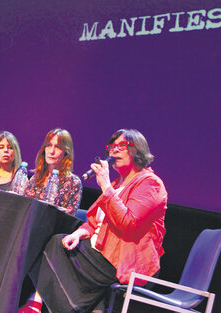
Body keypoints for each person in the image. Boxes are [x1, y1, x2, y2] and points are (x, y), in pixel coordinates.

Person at [20, 129, 167, 313]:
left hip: (124, 260)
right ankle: (74, 306)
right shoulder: (117, 185)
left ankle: (61, 306)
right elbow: (95, 222)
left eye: (122, 146)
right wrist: (78, 233)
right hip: (100, 251)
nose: (114, 151)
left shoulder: (149, 183)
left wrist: (105, 185)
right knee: (55, 244)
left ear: (138, 150)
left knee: (53, 245)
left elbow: (128, 223)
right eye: (112, 147)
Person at [24, 128, 82, 216]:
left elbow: (68, 219)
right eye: (49, 145)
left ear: (66, 152)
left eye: (58, 147)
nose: (51, 151)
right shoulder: (36, 178)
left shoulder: (73, 183)